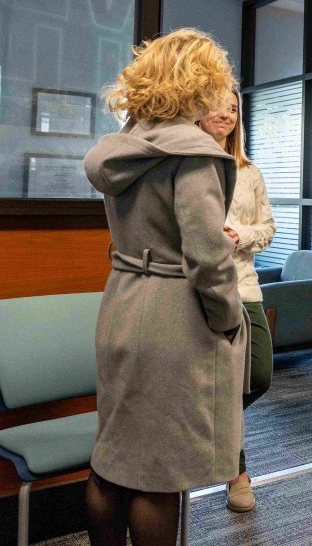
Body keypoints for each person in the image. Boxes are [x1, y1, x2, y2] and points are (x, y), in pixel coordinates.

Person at [83, 28, 248, 545]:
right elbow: (207, 255)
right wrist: (227, 318)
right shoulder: (195, 154)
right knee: (159, 471)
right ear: (202, 81)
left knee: (113, 459)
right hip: (173, 318)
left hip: (122, 302)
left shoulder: (123, 148)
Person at [197, 91, 276, 511]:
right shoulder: (187, 163)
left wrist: (240, 237)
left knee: (258, 375)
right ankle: (237, 471)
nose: (225, 113)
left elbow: (267, 226)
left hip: (244, 286)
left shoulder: (249, 172)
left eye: (232, 107)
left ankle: (203, 426)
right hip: (196, 290)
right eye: (216, 104)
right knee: (217, 380)